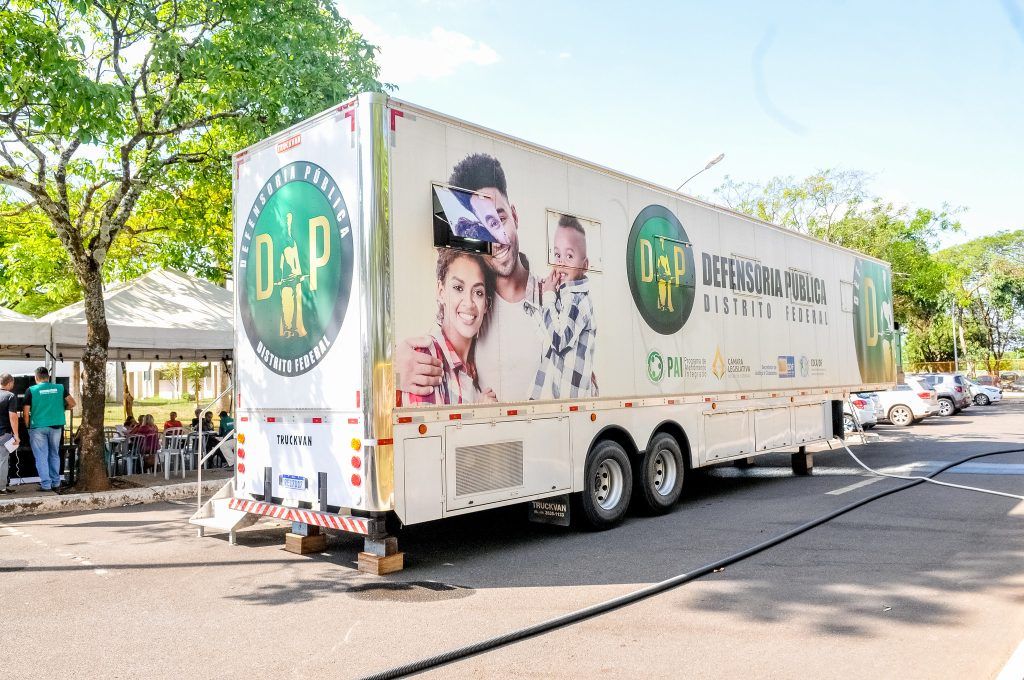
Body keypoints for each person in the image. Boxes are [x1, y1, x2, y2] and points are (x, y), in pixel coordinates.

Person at [397, 153, 545, 402]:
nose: (495, 239)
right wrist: (389, 367)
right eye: (483, 229)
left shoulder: (552, 300)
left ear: (515, 216)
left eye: (500, 218)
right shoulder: (432, 355)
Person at [403, 249, 498, 406]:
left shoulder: (476, 366)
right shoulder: (426, 357)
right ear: (441, 292)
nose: (468, 303)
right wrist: (480, 416)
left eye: (478, 292)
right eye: (458, 288)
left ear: (486, 304)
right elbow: (431, 429)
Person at [524, 215, 597, 399]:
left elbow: (558, 341)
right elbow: (548, 337)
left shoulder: (577, 300)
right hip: (559, 399)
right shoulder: (563, 297)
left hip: (571, 400)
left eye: (569, 256)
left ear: (585, 265)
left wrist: (548, 297)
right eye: (557, 254)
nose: (561, 262)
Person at [23, 367, 75, 492]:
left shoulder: (31, 390)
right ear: (48, 377)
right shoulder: (60, 388)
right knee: (54, 454)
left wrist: (27, 427)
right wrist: (61, 408)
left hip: (38, 427)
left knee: (41, 456)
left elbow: (26, 413)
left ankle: (46, 485)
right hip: (56, 426)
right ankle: (56, 483)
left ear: (36, 377)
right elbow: (72, 403)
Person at [0, 373, 19, 494]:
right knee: (2, 460)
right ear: (10, 382)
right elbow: (13, 417)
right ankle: (1, 488)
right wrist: (16, 435)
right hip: (3, 433)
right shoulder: (10, 396)